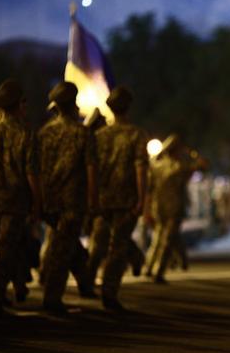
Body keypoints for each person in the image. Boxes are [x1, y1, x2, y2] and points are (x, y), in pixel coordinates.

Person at [0, 79, 41, 314]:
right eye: (23, 102)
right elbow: (31, 172)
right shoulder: (24, 132)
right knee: (5, 252)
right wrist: (37, 202)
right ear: (15, 104)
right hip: (13, 200)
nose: (25, 106)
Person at [38, 81, 97, 314]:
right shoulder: (82, 133)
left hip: (50, 201)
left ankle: (85, 283)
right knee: (61, 251)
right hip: (72, 201)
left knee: (68, 244)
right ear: (73, 104)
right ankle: (52, 298)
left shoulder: (44, 133)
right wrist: (93, 201)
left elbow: (36, 169)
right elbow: (91, 169)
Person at [88, 86, 148, 311]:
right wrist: (142, 199)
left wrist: (92, 198)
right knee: (118, 246)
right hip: (126, 199)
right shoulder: (136, 134)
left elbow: (92, 169)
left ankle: (100, 283)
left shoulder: (99, 136)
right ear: (128, 108)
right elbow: (140, 169)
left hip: (103, 198)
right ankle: (109, 291)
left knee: (102, 242)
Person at [145, 135, 206, 283]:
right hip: (174, 207)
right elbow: (201, 165)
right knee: (167, 239)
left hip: (157, 207)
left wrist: (146, 208)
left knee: (158, 237)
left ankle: (149, 267)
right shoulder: (178, 166)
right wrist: (194, 155)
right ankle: (159, 271)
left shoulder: (155, 165)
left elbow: (148, 189)